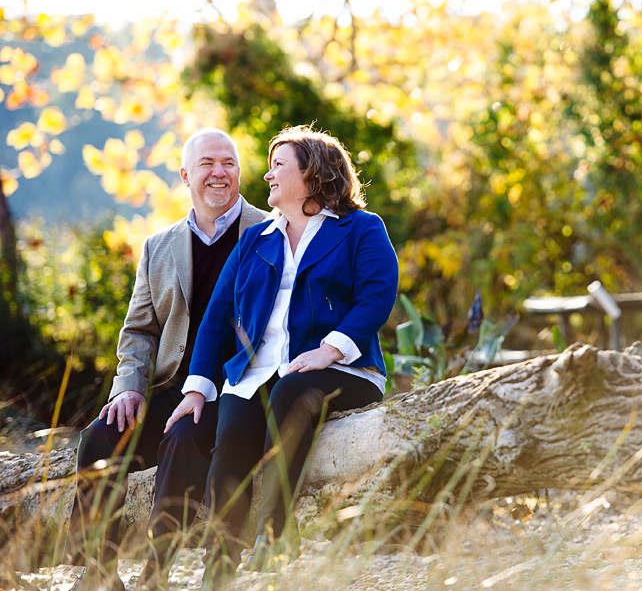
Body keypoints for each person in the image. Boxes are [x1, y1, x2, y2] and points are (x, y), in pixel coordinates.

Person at [164, 125, 398, 585]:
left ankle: (272, 540)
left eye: (278, 166)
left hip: (344, 369)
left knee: (293, 390)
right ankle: (218, 568)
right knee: (230, 435)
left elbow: (377, 295)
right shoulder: (257, 238)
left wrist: (330, 350)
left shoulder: (361, 229)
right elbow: (217, 318)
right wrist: (197, 388)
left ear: (310, 173)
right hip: (256, 374)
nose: (267, 176)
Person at [70, 129, 267, 591]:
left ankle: (157, 572)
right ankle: (100, 572)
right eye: (207, 164)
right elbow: (140, 330)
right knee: (98, 439)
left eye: (229, 163)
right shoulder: (159, 247)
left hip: (235, 389)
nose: (219, 173)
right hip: (170, 386)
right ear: (185, 175)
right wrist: (129, 388)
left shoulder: (268, 232)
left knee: (182, 438)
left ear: (239, 172)